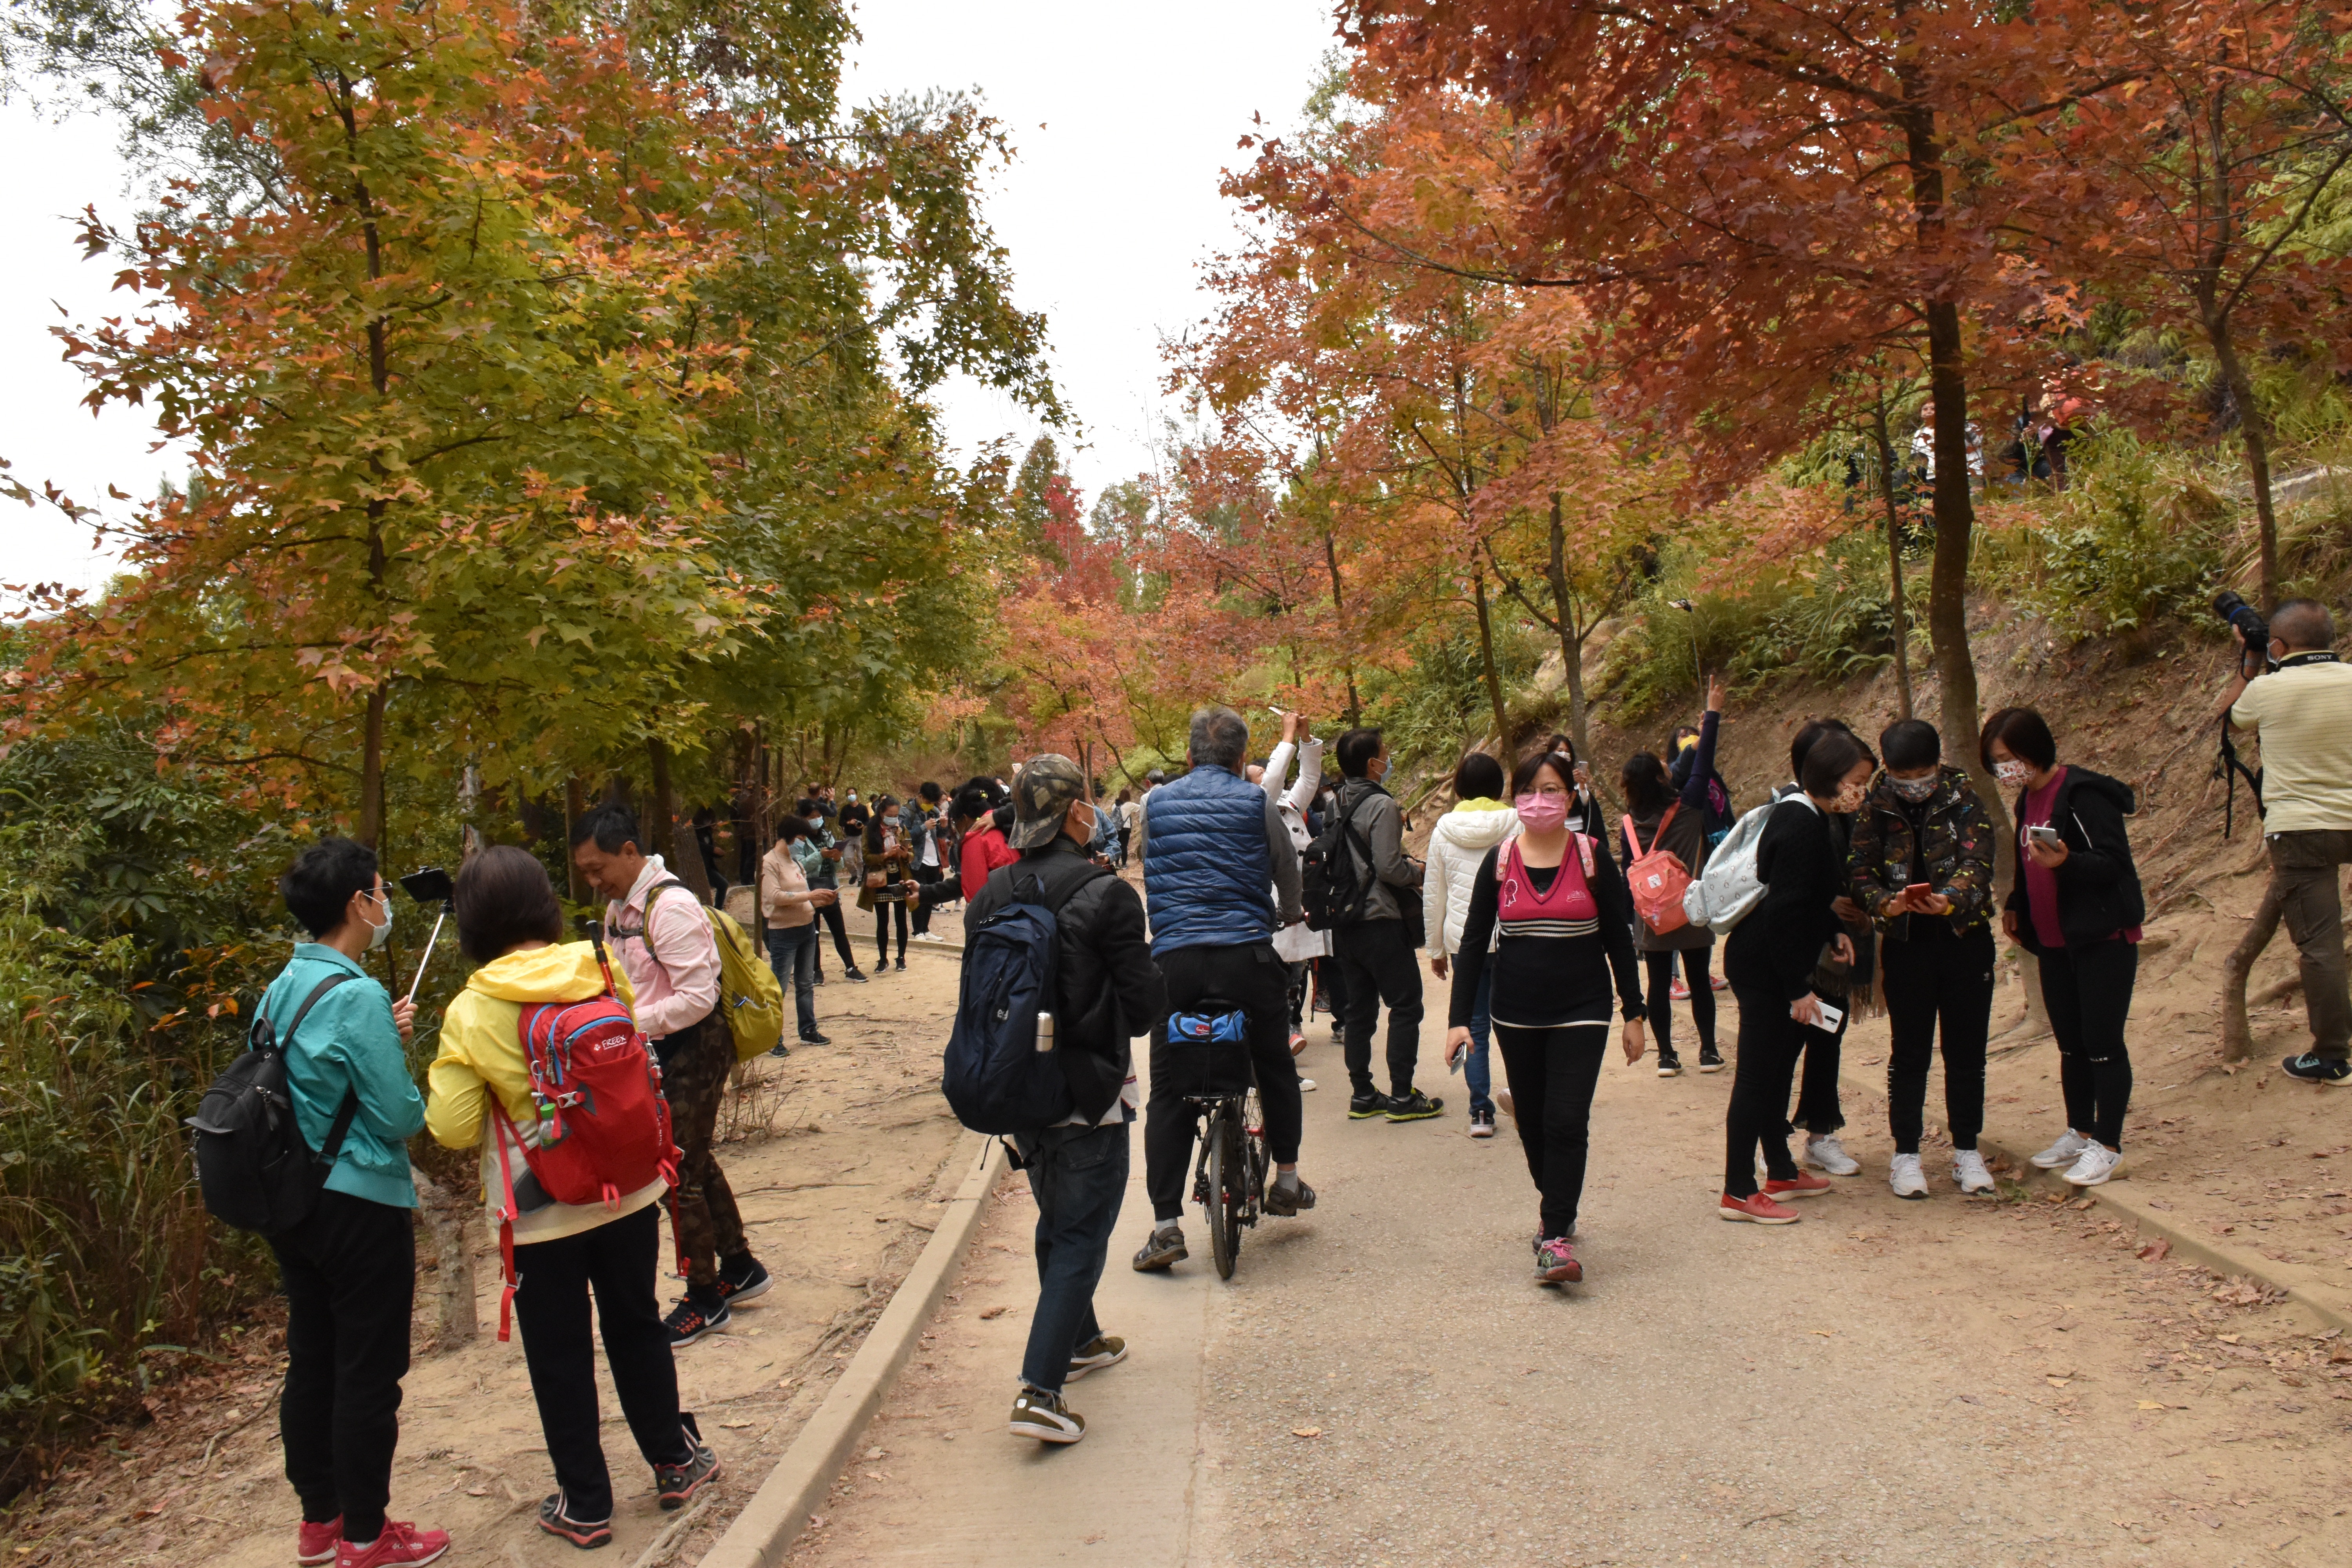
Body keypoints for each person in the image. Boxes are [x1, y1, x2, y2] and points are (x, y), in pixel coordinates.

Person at [425, 848, 720, 1548]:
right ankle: (675, 1461)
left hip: (538, 1210)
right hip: (629, 1186)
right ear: (543, 904)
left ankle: (586, 1503)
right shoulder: (597, 965)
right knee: (636, 1324)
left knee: (558, 1355)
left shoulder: (472, 1009)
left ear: (471, 922)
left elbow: (455, 1126)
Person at [966, 756, 1167, 1445]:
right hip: (1088, 1091)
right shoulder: (1106, 895)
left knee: (1060, 1218)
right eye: (1086, 803)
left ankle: (1080, 1340)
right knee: (1082, 1229)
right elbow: (1142, 1010)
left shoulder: (990, 894)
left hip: (1018, 1088)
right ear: (1076, 813)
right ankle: (1040, 1390)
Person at [261, 838, 448, 1568]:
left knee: (313, 1359)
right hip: (359, 1205)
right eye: (380, 892)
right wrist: (395, 1056)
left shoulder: (288, 983)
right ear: (357, 905)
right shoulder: (359, 995)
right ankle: (369, 1537)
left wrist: (380, 1035)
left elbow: (309, 1075)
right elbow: (401, 1117)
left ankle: (322, 1524)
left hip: (293, 1201)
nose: (388, 904)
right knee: (369, 1371)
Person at [1440, 748, 1646, 1282]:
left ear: (1570, 797)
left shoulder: (1594, 857)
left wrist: (1635, 1012)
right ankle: (1556, 1199)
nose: (1539, 801)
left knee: (1565, 1119)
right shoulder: (1501, 861)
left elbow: (1620, 941)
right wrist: (1459, 1019)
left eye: (1551, 790)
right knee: (1532, 1120)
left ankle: (1555, 1236)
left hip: (1584, 1008)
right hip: (1515, 1012)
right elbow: (1471, 939)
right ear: (1515, 801)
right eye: (1529, 792)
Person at [570, 804, 769, 1343]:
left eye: (599, 868)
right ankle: (740, 1267)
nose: (594, 881)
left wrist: (629, 1023)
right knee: (693, 1161)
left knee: (674, 1170)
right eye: (585, 872)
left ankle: (704, 1297)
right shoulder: (619, 910)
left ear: (630, 852)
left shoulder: (672, 907)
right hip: (658, 1049)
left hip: (694, 1046)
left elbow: (698, 999)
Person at [1130, 707, 1311, 1272]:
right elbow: (1285, 870)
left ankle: (1165, 1227)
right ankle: (1286, 1180)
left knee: (1169, 1088)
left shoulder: (1154, 804)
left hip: (1175, 962)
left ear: (1187, 757)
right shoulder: (1257, 802)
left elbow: (1148, 863)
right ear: (1241, 761)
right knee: (1274, 1063)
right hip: (1246, 956)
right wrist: (1290, 912)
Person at [1984, 707, 2147, 1187]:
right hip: (2054, 941)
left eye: (2009, 758)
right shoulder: (2025, 800)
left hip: (2101, 937)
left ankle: (2108, 1145)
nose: (2004, 770)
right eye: (1996, 762)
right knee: (2071, 1045)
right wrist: (2016, 901)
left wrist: (2068, 862)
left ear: (2034, 751)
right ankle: (2080, 1129)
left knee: (2102, 1044)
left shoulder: (2083, 794)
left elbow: (2114, 863)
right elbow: (2025, 857)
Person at [1720, 731, 1872, 1224]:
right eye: (1856, 782)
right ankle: (1739, 1190)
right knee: (1757, 1077)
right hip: (1765, 969)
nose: (1861, 791)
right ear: (1828, 779)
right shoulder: (1801, 823)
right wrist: (1798, 988)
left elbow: (1803, 896)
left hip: (1777, 962)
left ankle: (1781, 1169)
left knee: (1778, 1069)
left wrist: (1831, 932)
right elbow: (1783, 909)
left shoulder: (1808, 815)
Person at [1847, 718, 2000, 1200]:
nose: (1914, 786)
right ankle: (1906, 1155)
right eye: (1902, 775)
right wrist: (1883, 904)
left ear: (1937, 764)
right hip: (1907, 945)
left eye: (1922, 774)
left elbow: (1980, 860)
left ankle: (1967, 1151)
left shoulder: (1964, 797)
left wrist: (1951, 897)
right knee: (1909, 1052)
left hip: (1964, 938)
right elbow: (1858, 869)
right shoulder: (1875, 803)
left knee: (1966, 1053)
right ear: (1888, 769)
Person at [2219, 598, 2352, 1084]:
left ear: (2279, 645)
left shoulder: (2268, 690)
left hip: (2301, 829)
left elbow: (2230, 719)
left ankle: (2333, 1056)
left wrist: (2252, 660)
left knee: (2321, 945)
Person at [1329, 726, 1441, 1122]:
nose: (1388, 759)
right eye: (1385, 754)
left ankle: (1363, 1093)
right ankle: (1402, 1095)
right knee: (1406, 1004)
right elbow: (1389, 868)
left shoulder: (1335, 802)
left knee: (1359, 1011)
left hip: (1345, 922)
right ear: (1373, 764)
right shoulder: (1382, 805)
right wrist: (1419, 871)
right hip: (1379, 919)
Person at [1777, 720, 1874, 1179]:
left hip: (1836, 950)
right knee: (1784, 1047)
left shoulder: (1848, 807)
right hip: (1797, 955)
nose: (1856, 788)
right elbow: (1779, 890)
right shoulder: (1790, 811)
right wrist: (1826, 904)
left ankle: (1821, 1135)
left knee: (1828, 1040)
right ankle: (1771, 1138)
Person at [1620, 680, 1725, 1076]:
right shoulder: (1689, 807)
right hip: (1691, 907)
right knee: (1699, 979)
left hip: (1652, 914)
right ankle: (1709, 1051)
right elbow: (1703, 763)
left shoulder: (1628, 825)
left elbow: (1626, 876)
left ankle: (1666, 1056)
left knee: (1660, 981)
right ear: (1663, 777)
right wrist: (1711, 714)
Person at [1423, 750, 1519, 1137]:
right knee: (1516, 1024)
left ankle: (1480, 1111)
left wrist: (1435, 950)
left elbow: (1435, 893)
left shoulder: (1445, 828)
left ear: (1459, 787)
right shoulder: (1517, 823)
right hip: (1513, 937)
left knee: (1471, 1025)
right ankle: (1524, 1097)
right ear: (1499, 787)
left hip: (1465, 941)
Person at [1261, 712, 1328, 1060]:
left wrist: (1305, 737)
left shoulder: (1288, 806)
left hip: (1298, 898)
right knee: (1276, 970)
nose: (1273, 782)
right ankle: (1279, 1035)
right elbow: (1271, 781)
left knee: (1298, 967)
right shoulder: (1255, 803)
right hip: (1271, 901)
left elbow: (1310, 776)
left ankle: (1291, 1027)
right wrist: (1286, 737)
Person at [761, 817, 835, 1048]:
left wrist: (819, 899)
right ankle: (773, 1038)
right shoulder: (769, 863)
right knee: (779, 987)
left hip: (806, 927)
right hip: (783, 932)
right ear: (790, 837)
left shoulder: (796, 863)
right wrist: (810, 897)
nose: (804, 843)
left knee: (805, 984)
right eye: (802, 838)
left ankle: (808, 1029)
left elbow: (802, 892)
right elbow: (776, 897)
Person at [796, 795, 866, 985]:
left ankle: (851, 968)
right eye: (812, 816)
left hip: (830, 888)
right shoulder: (797, 840)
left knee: (839, 931)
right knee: (814, 933)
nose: (817, 820)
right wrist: (820, 855)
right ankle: (816, 970)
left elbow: (838, 865)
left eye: (819, 816)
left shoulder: (827, 835)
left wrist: (836, 858)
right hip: (810, 891)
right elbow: (799, 867)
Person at [860, 797, 915, 973]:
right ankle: (882, 959)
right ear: (882, 813)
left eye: (896, 815)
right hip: (880, 879)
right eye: (890, 815)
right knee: (882, 920)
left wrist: (905, 854)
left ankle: (901, 957)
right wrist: (885, 855)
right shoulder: (870, 830)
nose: (893, 818)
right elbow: (867, 857)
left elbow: (911, 853)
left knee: (901, 919)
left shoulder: (901, 829)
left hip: (900, 876)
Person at [908, 782, 950, 940]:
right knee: (918, 895)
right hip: (918, 861)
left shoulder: (933, 811)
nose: (930, 806)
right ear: (920, 797)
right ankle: (917, 931)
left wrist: (944, 826)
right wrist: (923, 827)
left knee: (930, 896)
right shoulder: (908, 812)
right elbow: (904, 836)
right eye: (928, 802)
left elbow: (940, 835)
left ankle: (926, 929)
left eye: (933, 803)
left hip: (934, 859)